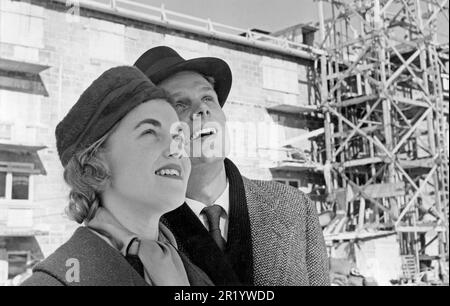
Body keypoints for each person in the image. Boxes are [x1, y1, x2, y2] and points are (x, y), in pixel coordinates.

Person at [134, 46, 330, 286]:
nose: (202, 109)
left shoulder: (295, 209)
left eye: (207, 97)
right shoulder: (136, 237)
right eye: (180, 105)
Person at [22, 66, 213, 286]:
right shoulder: (53, 282)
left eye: (179, 135)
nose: (176, 148)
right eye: (149, 132)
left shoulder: (195, 274)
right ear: (95, 161)